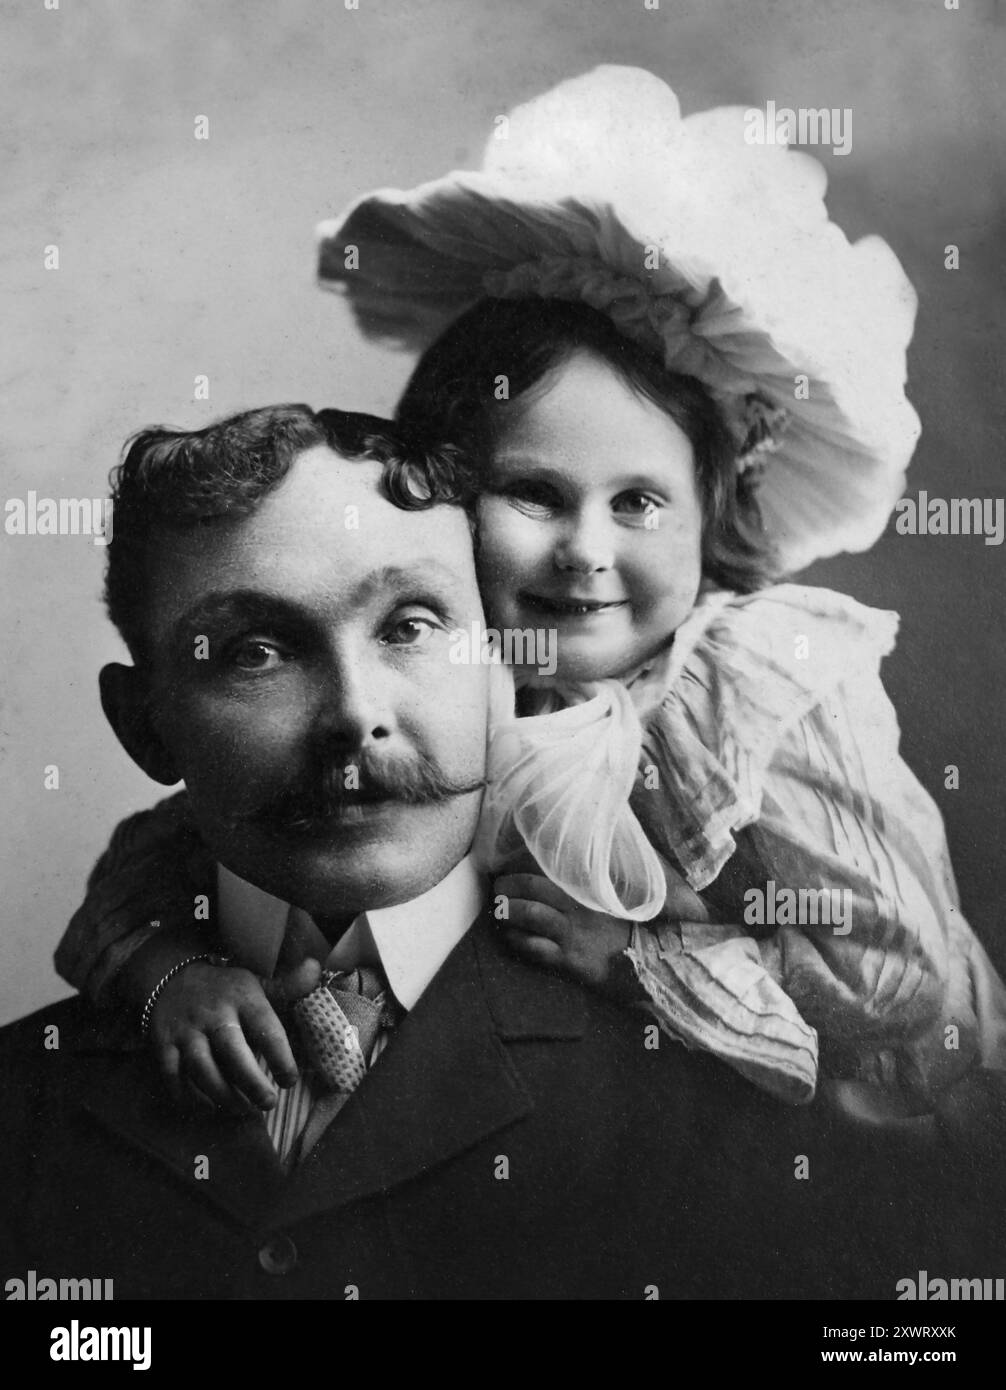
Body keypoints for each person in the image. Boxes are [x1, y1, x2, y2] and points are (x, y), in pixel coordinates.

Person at [56, 67, 1006, 1121]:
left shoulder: (741, 698)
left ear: (711, 515)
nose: (584, 552)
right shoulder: (443, 687)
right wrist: (163, 974)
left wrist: (642, 960)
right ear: (448, 504)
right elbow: (160, 857)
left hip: (857, 1117)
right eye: (535, 495)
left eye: (638, 501)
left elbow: (900, 982)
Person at [1, 403, 957, 1300]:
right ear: (143, 723)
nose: (355, 717)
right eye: (254, 652)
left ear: (509, 657)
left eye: (412, 627)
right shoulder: (27, 1099)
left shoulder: (720, 1086)